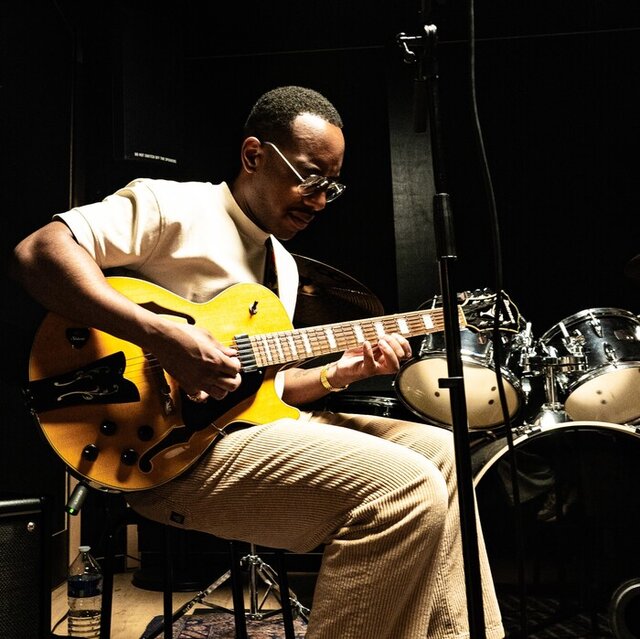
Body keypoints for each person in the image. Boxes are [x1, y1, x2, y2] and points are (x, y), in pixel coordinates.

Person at [11, 86, 504, 639]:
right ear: (254, 156)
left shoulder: (284, 267)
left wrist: (340, 374)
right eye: (310, 178)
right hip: (166, 455)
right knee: (403, 485)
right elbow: (39, 253)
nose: (319, 200)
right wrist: (164, 336)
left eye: (330, 187)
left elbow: (269, 391)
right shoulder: (170, 205)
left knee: (446, 456)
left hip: (249, 434)